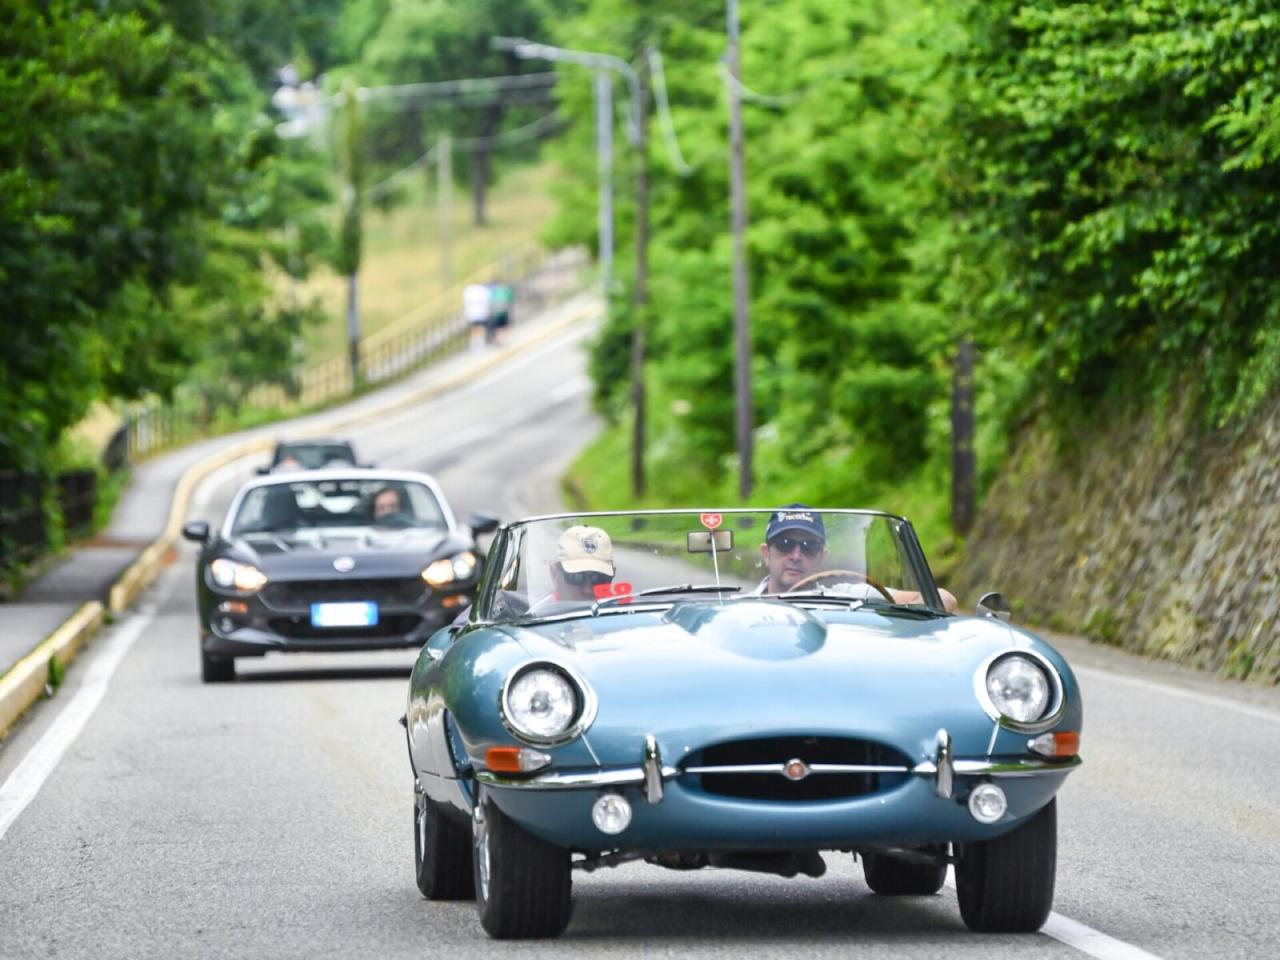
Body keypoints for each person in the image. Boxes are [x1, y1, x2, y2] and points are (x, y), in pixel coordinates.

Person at [753, 504, 958, 612]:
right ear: (766, 554)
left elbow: (944, 599)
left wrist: (902, 619)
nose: (796, 556)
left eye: (809, 547)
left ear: (822, 556)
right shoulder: (741, 607)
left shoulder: (847, 598)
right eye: (784, 544)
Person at [547, 525, 615, 603]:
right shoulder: (540, 612)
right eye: (576, 577)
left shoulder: (623, 610)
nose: (587, 590)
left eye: (598, 578)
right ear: (554, 572)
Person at [463, 281, 492, 351]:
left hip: (472, 314)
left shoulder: (469, 291)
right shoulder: (483, 291)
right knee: (480, 328)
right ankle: (479, 343)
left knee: (475, 328)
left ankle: (475, 344)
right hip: (480, 313)